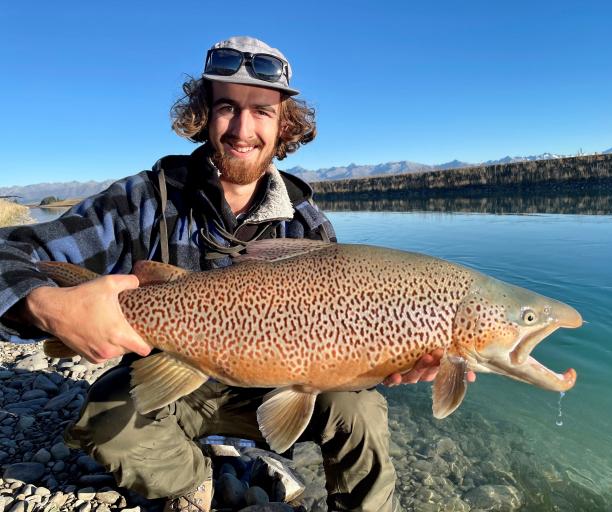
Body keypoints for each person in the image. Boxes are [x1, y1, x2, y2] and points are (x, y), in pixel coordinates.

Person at [0, 36, 472, 512]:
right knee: (106, 423)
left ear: (284, 123)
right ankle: (192, 478)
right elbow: (9, 255)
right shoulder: (143, 201)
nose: (243, 129)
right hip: (174, 380)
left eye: (263, 111)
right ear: (203, 113)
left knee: (361, 411)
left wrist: (389, 361)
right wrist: (48, 306)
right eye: (227, 107)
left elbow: (339, 342)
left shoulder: (307, 225)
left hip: (274, 388)